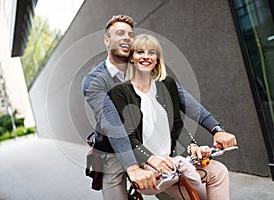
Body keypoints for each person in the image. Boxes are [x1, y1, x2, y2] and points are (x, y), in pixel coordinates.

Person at [82, 15, 237, 200]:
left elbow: (188, 104)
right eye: (119, 33)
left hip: (148, 144)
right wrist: (132, 167)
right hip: (113, 148)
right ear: (107, 40)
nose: (126, 38)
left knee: (174, 192)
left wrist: (216, 129)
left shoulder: (151, 75)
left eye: (130, 35)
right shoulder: (95, 80)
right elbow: (113, 123)